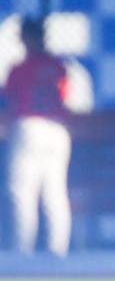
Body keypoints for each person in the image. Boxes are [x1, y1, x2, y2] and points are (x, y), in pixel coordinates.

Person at [4, 17, 73, 256]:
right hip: (57, 129)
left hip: (29, 127)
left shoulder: (21, 67)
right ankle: (58, 252)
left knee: (22, 191)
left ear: (26, 38)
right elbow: (64, 97)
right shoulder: (57, 65)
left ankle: (23, 253)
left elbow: (8, 100)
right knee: (54, 193)